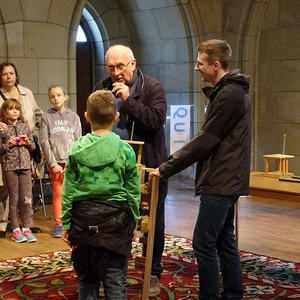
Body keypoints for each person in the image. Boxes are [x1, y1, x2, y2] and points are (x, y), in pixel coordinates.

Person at [151, 39, 252, 299]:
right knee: (223, 239)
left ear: (216, 65)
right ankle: (232, 293)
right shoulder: (228, 92)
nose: (196, 68)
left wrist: (166, 168)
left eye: (200, 63)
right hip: (225, 178)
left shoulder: (230, 95)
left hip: (222, 180)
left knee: (204, 242)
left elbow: (205, 140)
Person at [93, 44, 168, 296]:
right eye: (111, 68)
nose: (116, 73)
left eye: (121, 67)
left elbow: (155, 121)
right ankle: (111, 273)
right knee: (110, 220)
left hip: (147, 166)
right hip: (109, 167)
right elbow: (93, 120)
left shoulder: (153, 87)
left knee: (152, 221)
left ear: (133, 63)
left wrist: (127, 100)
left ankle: (153, 272)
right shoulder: (102, 87)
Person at [61, 90, 141, 300]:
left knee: (87, 281)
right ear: (116, 118)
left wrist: (66, 223)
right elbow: (133, 191)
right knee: (115, 281)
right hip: (116, 224)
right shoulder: (126, 151)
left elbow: (68, 190)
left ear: (86, 117)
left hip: (83, 222)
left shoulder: (76, 150)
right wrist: (134, 220)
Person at [0, 62, 42, 238]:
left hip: (24, 150)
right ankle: (3, 224)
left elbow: (37, 114)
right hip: (5, 150)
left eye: (12, 73)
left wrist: (34, 135)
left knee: (25, 191)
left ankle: (26, 225)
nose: (9, 76)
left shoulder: (26, 92)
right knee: (4, 188)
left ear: (16, 75)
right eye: (4, 74)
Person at [39, 85, 81, 238]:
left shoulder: (74, 117)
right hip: (55, 162)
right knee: (58, 193)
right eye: (52, 96)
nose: (55, 98)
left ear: (65, 96)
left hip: (71, 162)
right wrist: (53, 164)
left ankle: (73, 222)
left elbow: (78, 141)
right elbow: (44, 141)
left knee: (72, 193)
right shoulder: (46, 116)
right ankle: (58, 224)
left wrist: (73, 161)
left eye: (58, 95)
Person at [0, 98, 37, 242]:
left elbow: (33, 147)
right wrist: (6, 145)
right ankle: (16, 229)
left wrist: (28, 142)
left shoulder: (24, 125)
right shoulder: (2, 127)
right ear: (5, 111)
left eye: (17, 108)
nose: (15, 111)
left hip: (25, 166)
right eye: (11, 108)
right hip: (10, 167)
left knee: (26, 199)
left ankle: (26, 227)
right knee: (14, 199)